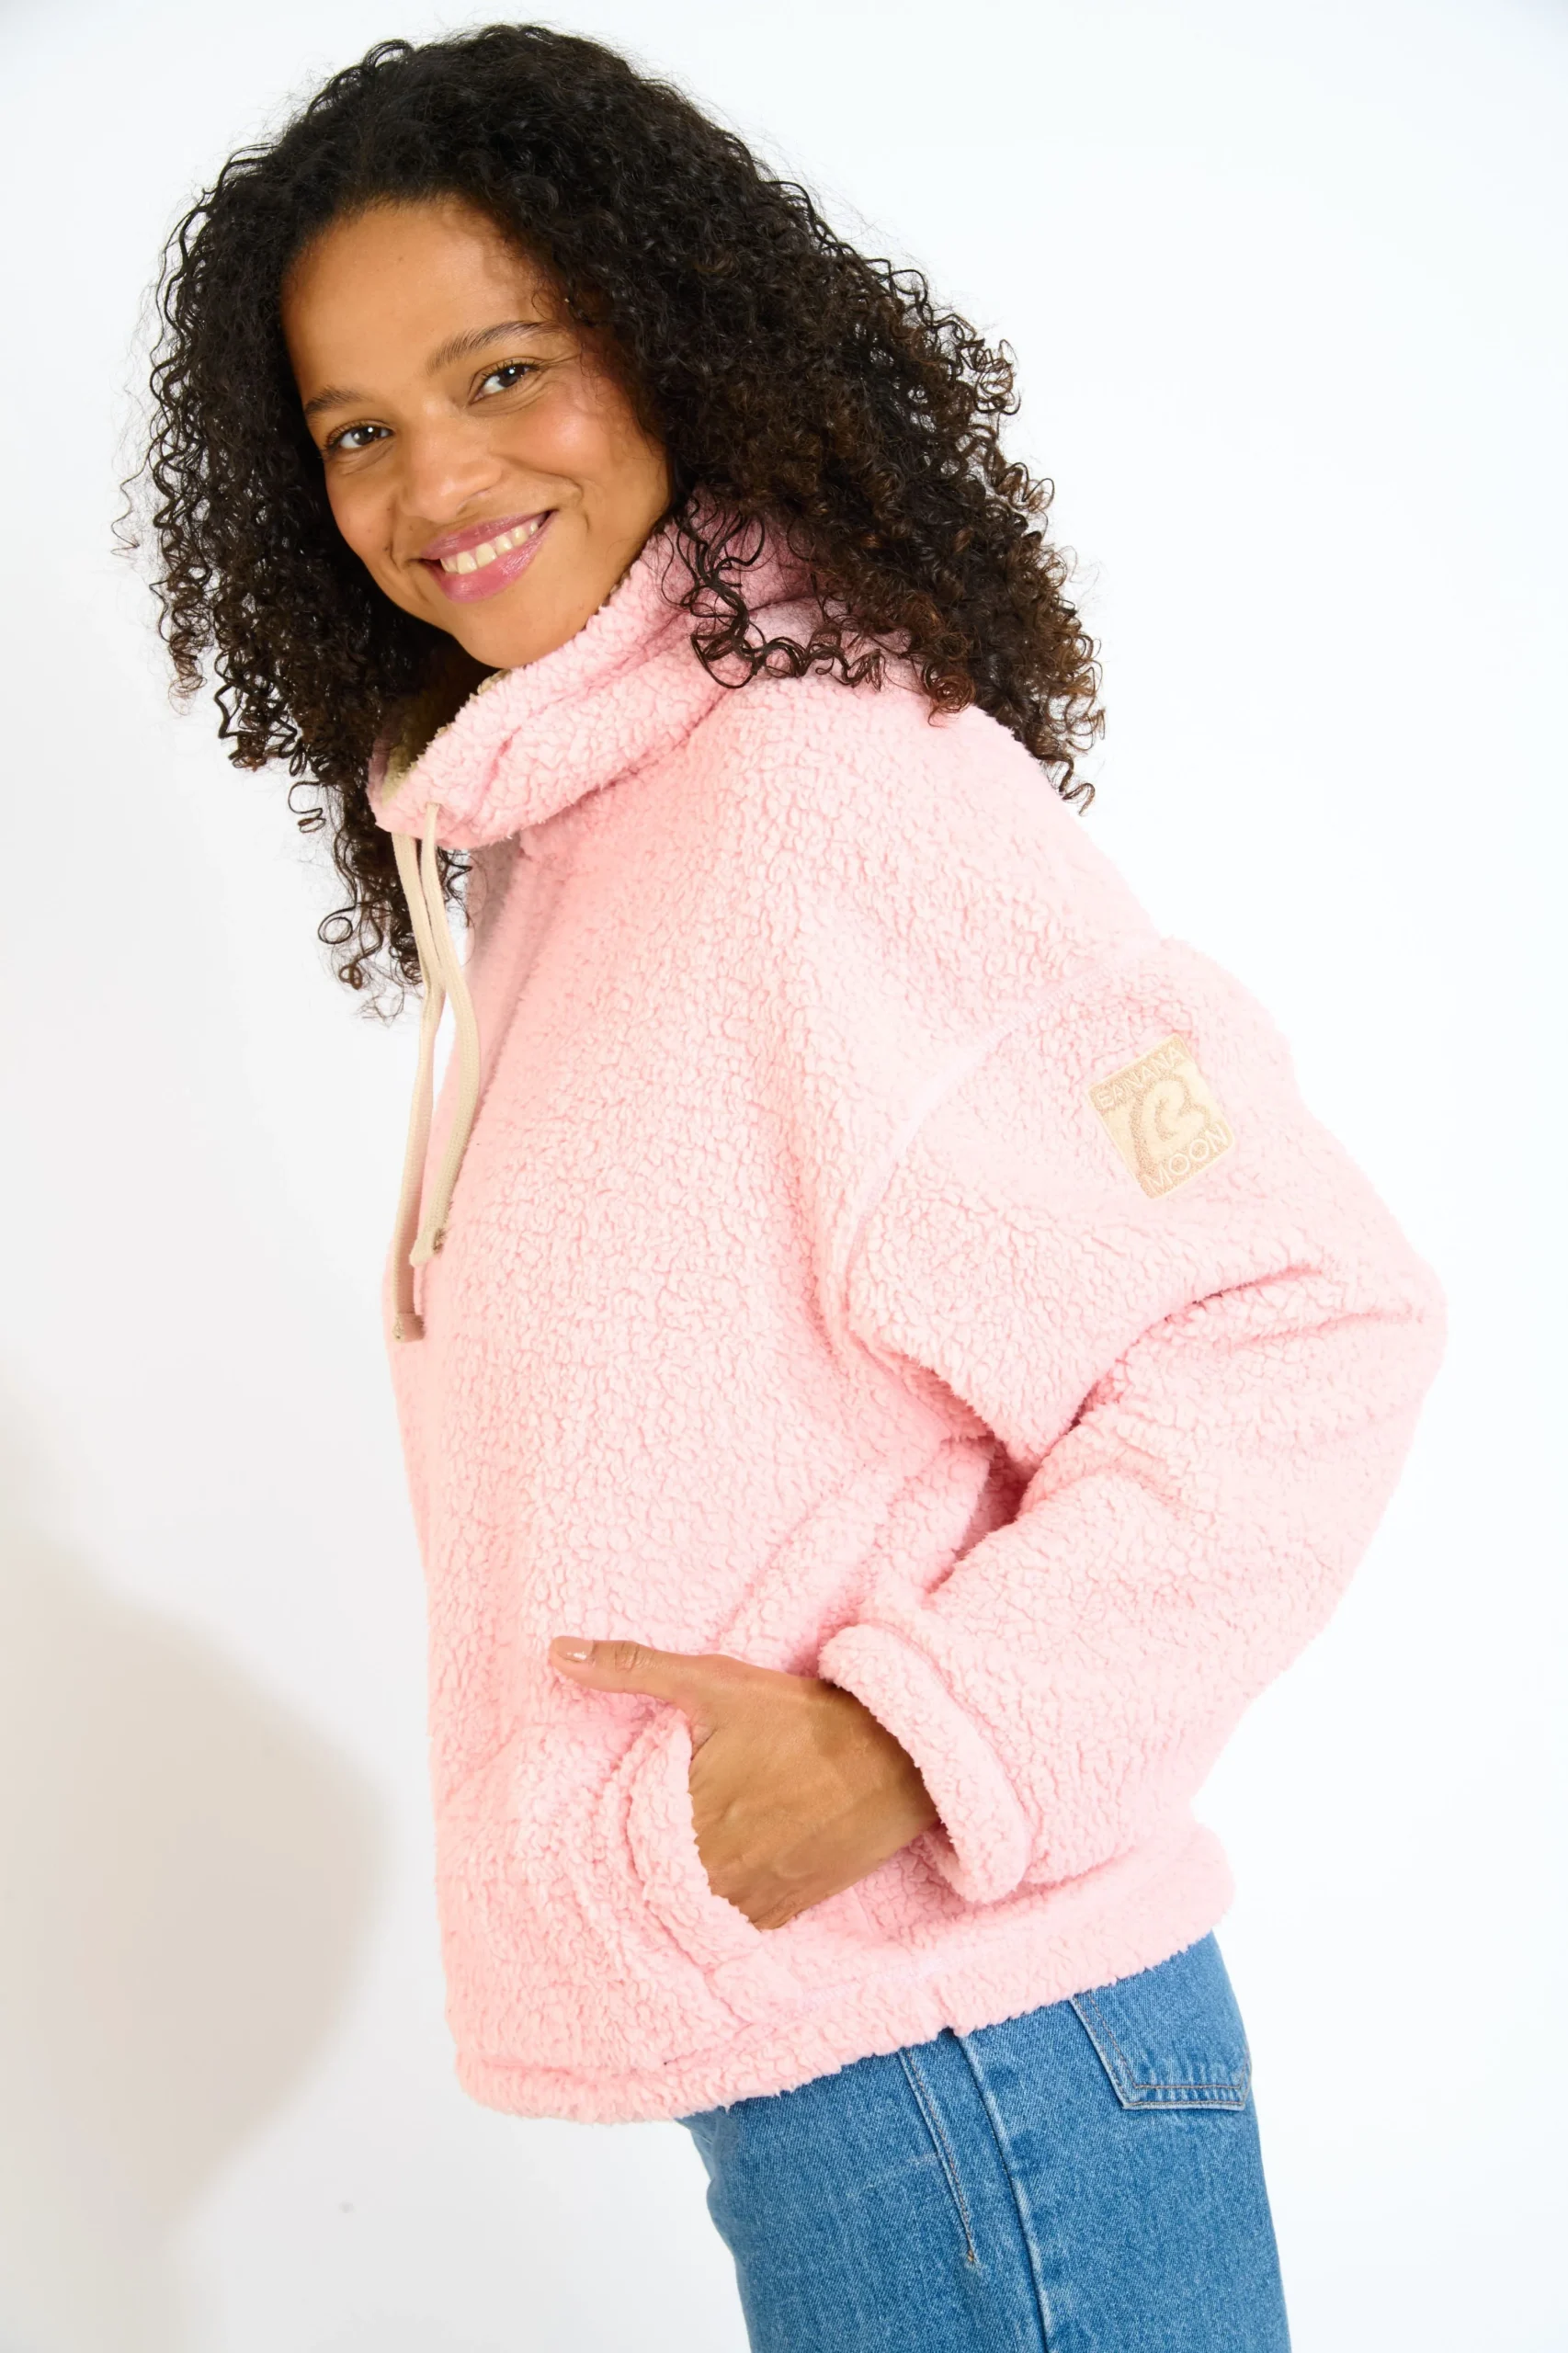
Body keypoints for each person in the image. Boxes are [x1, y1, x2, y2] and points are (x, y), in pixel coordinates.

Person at [136, 25, 1447, 2350]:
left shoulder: (820, 796)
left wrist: (918, 1736)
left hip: (983, 2070)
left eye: (504, 371)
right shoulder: (568, 838)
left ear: (668, 338)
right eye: (356, 430)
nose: (437, 479)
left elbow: (1296, 1313)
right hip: (886, 2073)